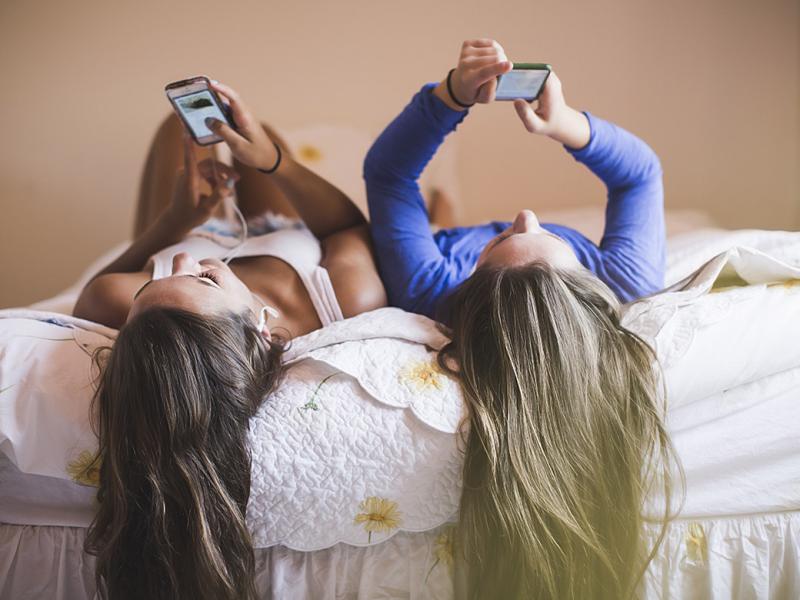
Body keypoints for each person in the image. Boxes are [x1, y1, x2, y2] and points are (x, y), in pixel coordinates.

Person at [364, 39, 679, 600]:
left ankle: (444, 211)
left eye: (508, 237)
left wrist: (450, 97)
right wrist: (567, 125)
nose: (525, 214)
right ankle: (444, 207)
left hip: (440, 241)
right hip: (455, 232)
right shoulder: (622, 279)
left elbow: (388, 175)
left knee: (422, 210)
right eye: (544, 235)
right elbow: (640, 175)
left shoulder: (433, 285)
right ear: (586, 287)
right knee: (433, 206)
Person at [75, 82, 386, 600]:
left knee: (176, 127)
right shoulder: (344, 298)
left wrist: (174, 222)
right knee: (251, 135)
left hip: (188, 221)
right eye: (203, 280)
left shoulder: (120, 295)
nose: (181, 264)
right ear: (259, 326)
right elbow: (348, 225)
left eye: (152, 285)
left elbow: (93, 291)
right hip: (283, 230)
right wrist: (272, 162)